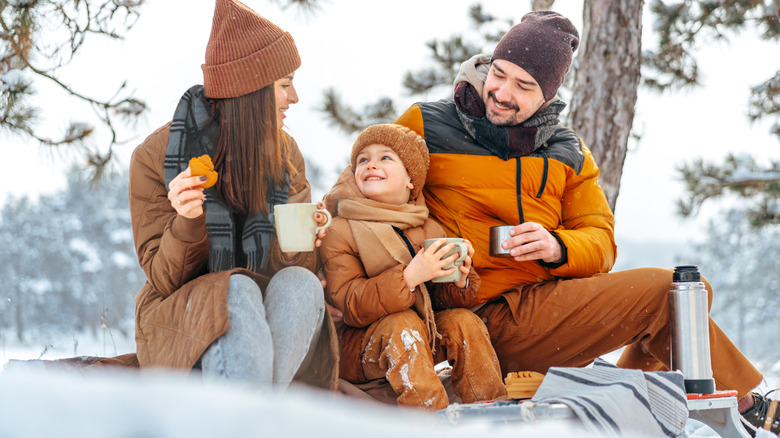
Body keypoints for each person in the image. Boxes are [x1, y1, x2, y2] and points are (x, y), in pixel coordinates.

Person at [386, 10, 775, 434]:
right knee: (671, 296)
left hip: (543, 306)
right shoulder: (426, 125)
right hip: (471, 315)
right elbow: (360, 185)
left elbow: (601, 242)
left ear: (548, 95)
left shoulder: (566, 151)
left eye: (524, 85)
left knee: (687, 297)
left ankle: (645, 393)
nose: (500, 92)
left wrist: (557, 246)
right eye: (498, 74)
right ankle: (748, 406)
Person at [128, 0, 337, 392]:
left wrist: (301, 244)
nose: (294, 99)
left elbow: (293, 268)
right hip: (181, 315)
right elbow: (162, 278)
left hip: (263, 317)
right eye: (285, 84)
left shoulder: (284, 153)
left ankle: (252, 415)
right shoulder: (156, 157)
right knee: (234, 286)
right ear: (251, 90)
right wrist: (188, 220)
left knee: (300, 284)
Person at [319, 124, 507, 410]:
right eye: (363, 159)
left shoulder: (427, 226)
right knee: (402, 325)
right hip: (357, 347)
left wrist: (459, 283)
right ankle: (428, 417)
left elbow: (436, 301)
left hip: (421, 332)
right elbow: (348, 302)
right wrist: (408, 278)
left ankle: (490, 406)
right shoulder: (341, 229)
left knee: (463, 323)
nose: (371, 164)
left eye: (385, 158)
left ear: (411, 179)